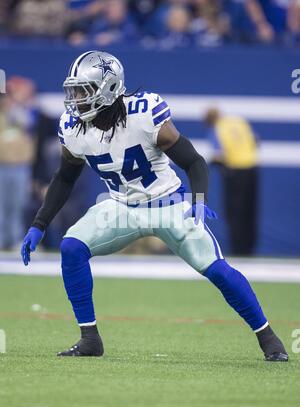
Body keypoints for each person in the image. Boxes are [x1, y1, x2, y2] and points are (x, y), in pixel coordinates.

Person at [21, 50, 287, 362]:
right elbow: (64, 178)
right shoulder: (73, 127)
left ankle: (269, 338)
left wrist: (199, 201)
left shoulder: (143, 114)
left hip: (168, 204)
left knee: (217, 270)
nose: (76, 98)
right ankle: (89, 339)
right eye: (74, 90)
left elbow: (194, 161)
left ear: (107, 89)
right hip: (121, 206)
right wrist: (39, 225)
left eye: (83, 90)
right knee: (71, 248)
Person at [204, 107, 258, 256]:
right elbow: (255, 141)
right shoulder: (239, 122)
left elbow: (219, 155)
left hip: (234, 172)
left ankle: (238, 249)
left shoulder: (217, 128)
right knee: (250, 211)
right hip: (252, 168)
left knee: (234, 212)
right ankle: (250, 248)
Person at [0, 76, 36, 249]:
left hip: (20, 167)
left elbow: (28, 128)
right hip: (2, 165)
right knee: (1, 205)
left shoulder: (22, 114)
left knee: (17, 205)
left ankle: (14, 239)